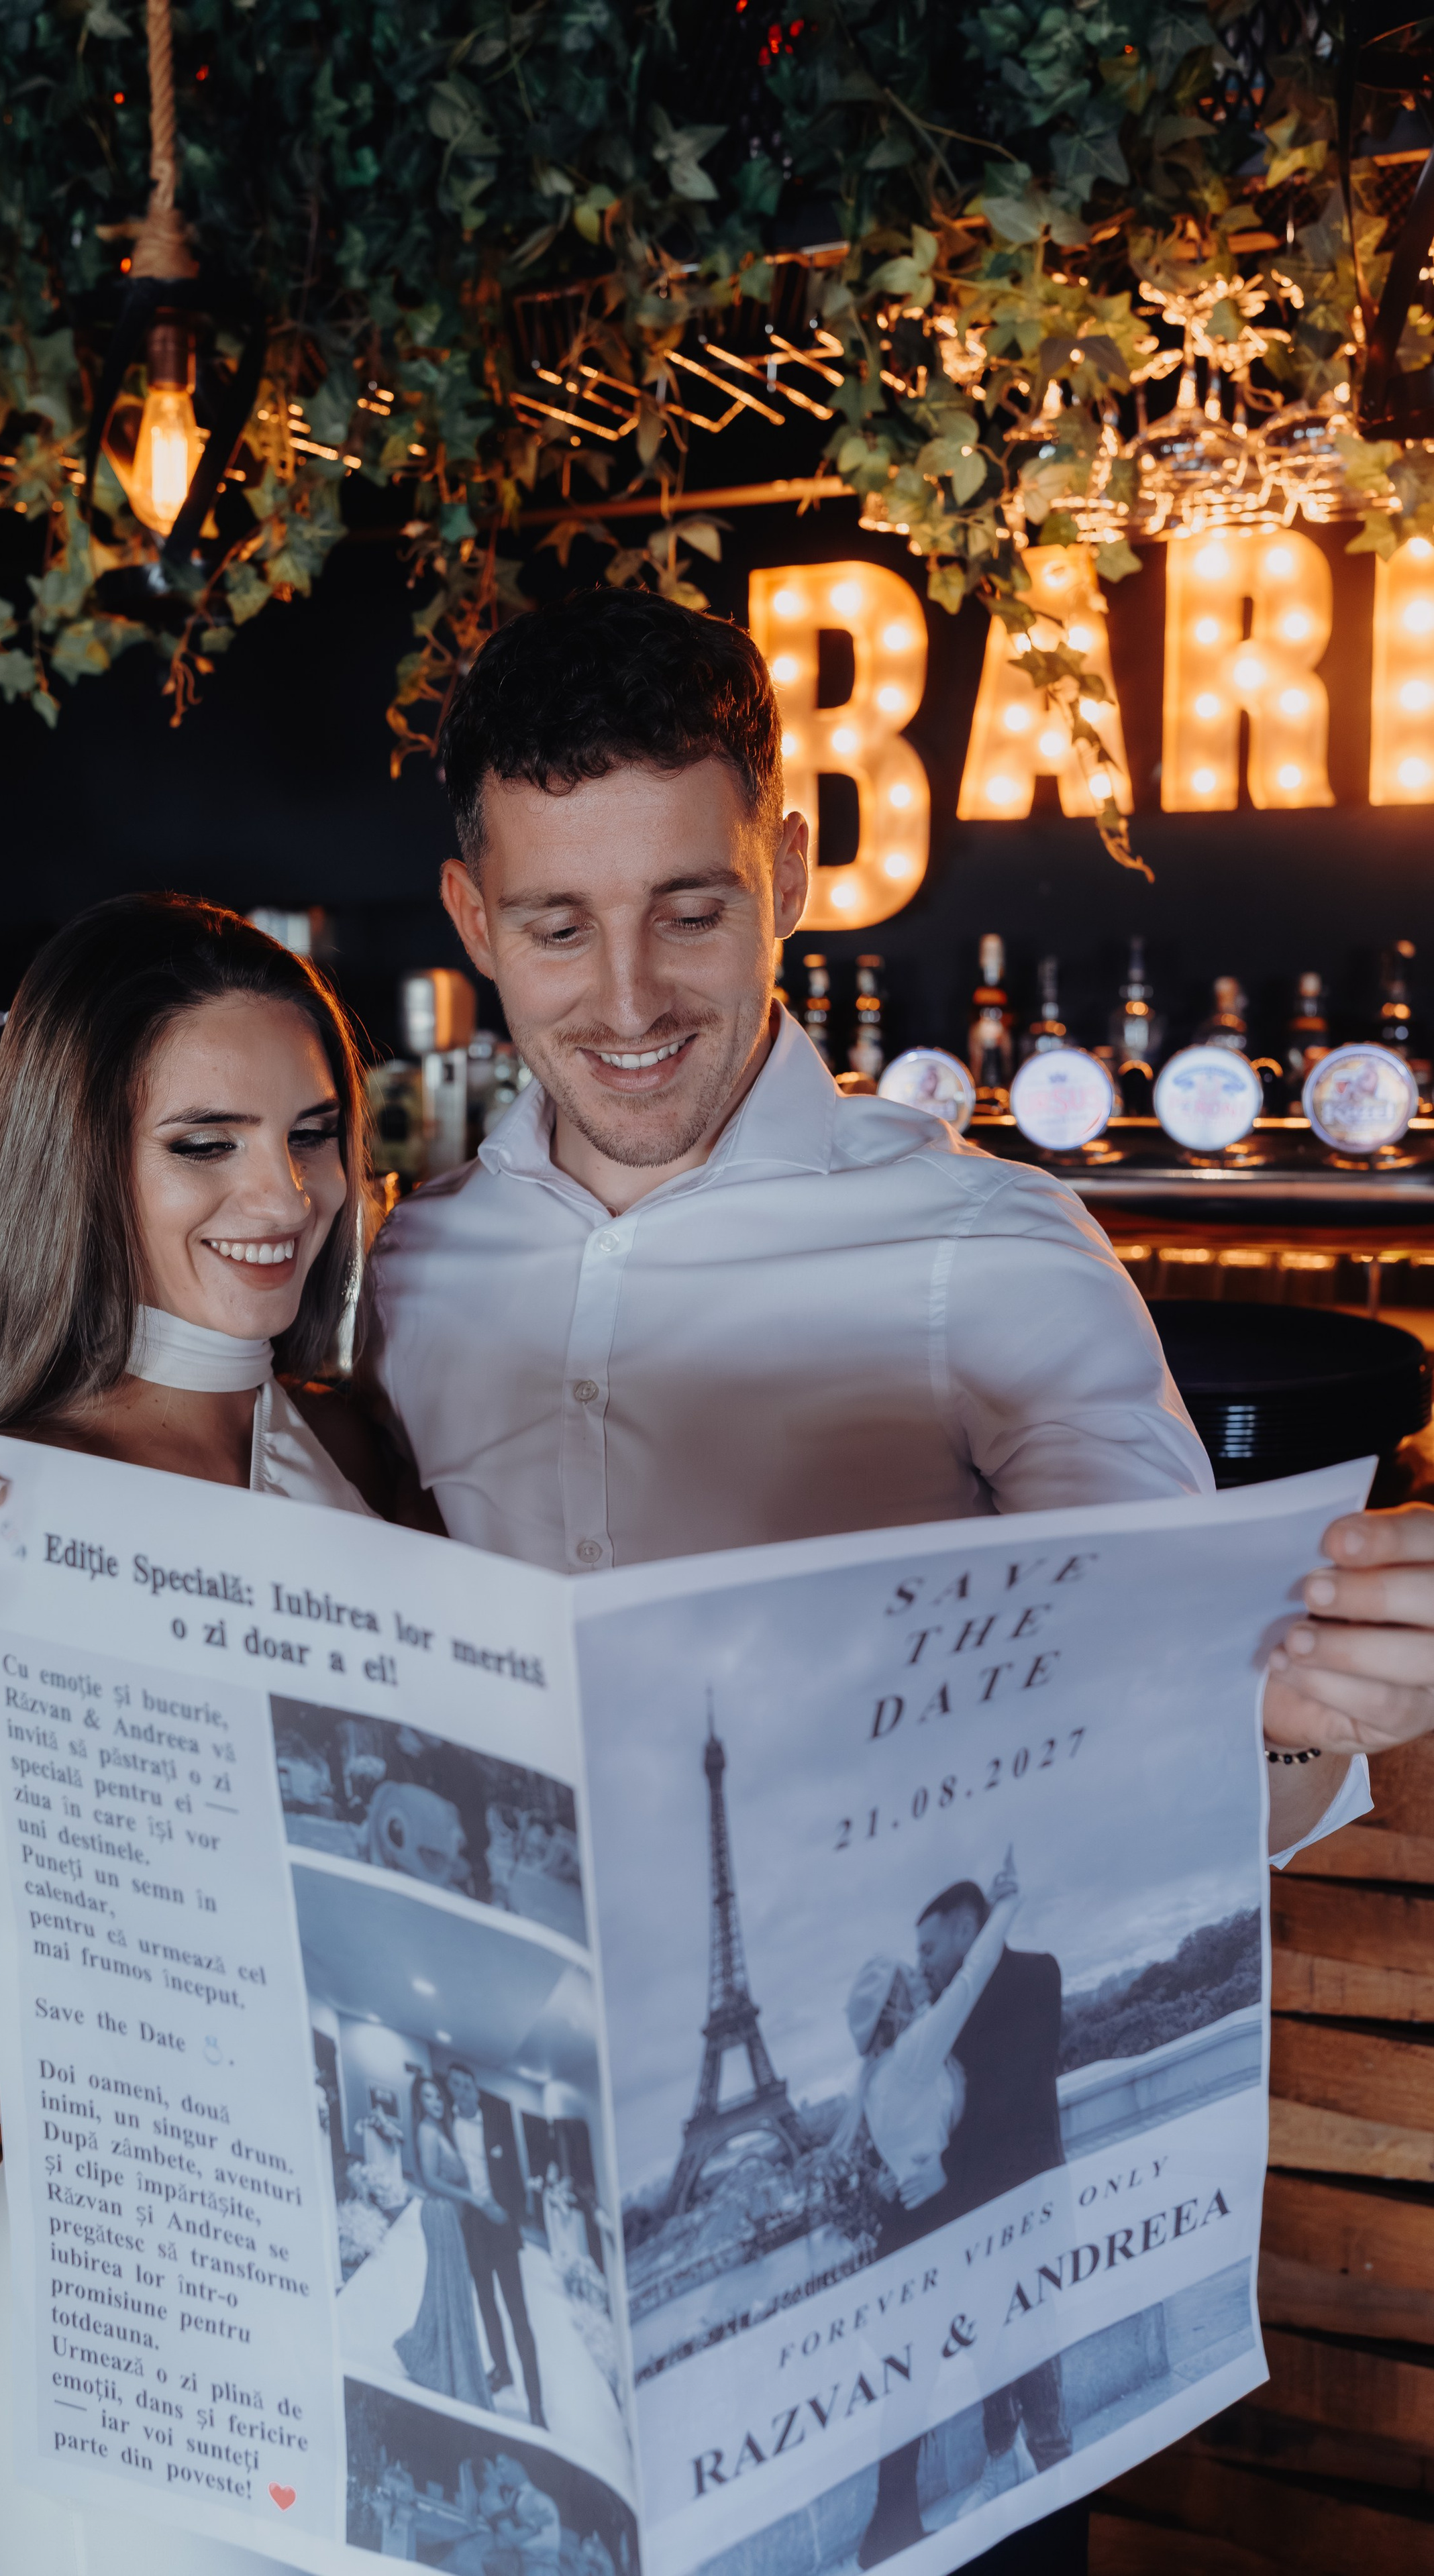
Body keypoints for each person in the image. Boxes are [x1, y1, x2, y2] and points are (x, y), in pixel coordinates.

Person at [362, 584, 1434, 2575]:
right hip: (534, 2233)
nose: (623, 998)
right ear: (464, 913)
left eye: (689, 902)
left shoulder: (987, 1246)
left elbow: (1215, 1752)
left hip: (911, 2238)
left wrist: (1306, 1718)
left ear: (785, 865)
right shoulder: (397, 1274)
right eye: (554, 922)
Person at [0, 893, 393, 2576]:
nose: (283, 1196)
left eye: (312, 1133)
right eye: (206, 1144)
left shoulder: (342, 1427)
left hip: (355, 2304)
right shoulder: (20, 1500)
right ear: (83, 1166)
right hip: (125, 2339)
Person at [854, 1864, 1068, 2563]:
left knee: (1006, 2349)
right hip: (942, 2223)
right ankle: (981, 2479)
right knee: (973, 2360)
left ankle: (1041, 2468)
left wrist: (930, 2168)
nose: (922, 1966)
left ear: (964, 1932)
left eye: (926, 1949)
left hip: (993, 2203)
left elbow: (1011, 2102)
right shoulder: (928, 2034)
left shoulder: (1027, 1982)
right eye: (912, 1963)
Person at [832, 1858, 1024, 2238]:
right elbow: (974, 1973)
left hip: (920, 2223)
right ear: (897, 1998)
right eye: (909, 1972)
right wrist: (1006, 1905)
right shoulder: (911, 2056)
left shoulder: (875, 2077)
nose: (919, 1972)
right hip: (952, 2214)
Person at [448, 2062, 547, 2428]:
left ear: (475, 2088)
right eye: (454, 2085)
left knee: (518, 2314)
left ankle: (536, 2405)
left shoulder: (497, 2124)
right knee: (486, 2304)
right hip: (472, 2228)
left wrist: (511, 2214)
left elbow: (515, 2176)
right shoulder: (448, 2126)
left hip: (501, 2226)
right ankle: (502, 2370)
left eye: (466, 2084)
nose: (461, 2091)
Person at [395, 2072, 497, 2410]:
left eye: (439, 2097)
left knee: (447, 2288)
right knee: (448, 2288)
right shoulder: (426, 2131)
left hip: (449, 2215)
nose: (436, 2103)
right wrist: (470, 2197)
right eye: (428, 2098)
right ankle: (432, 2357)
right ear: (419, 2102)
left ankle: (427, 2349)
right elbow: (430, 2178)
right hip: (439, 2214)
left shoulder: (440, 2129)